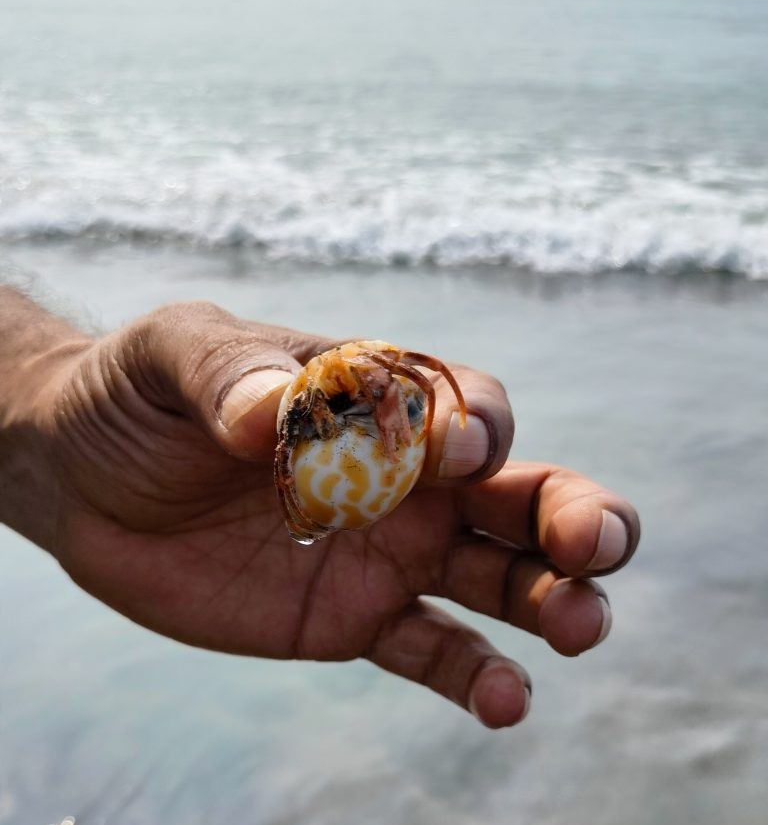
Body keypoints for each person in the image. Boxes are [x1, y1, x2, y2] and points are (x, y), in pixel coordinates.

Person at [0, 286, 640, 728]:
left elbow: (423, 387)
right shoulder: (314, 395)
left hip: (328, 500)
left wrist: (39, 415)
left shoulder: (385, 390)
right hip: (312, 494)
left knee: (461, 432)